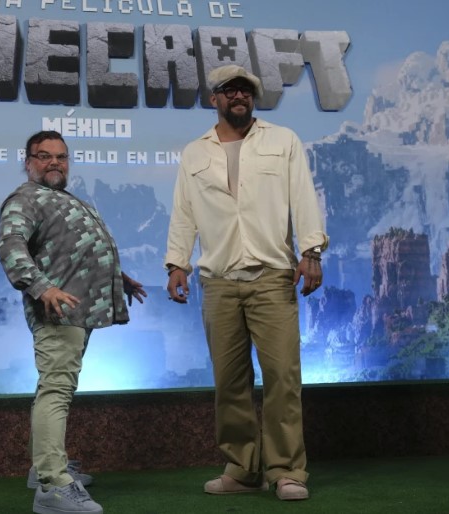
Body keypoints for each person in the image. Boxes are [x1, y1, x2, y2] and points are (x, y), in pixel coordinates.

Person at [164, 64, 328, 501]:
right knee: (229, 381)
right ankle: (241, 469)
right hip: (217, 280)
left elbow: (303, 197)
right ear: (214, 99)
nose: (239, 95)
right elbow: (183, 211)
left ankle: (287, 471)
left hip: (272, 276)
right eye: (229, 90)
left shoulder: (282, 140)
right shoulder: (194, 153)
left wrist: (311, 251)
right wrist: (176, 263)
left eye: (246, 90)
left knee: (282, 377)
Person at [0, 130, 146, 514]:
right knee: (57, 390)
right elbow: (10, 246)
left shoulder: (62, 198)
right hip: (57, 312)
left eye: (61, 157)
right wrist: (42, 288)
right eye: (44, 156)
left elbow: (71, 250)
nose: (54, 163)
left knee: (54, 387)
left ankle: (43, 468)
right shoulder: (26, 198)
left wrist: (118, 279)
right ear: (27, 163)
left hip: (77, 309)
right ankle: (52, 486)